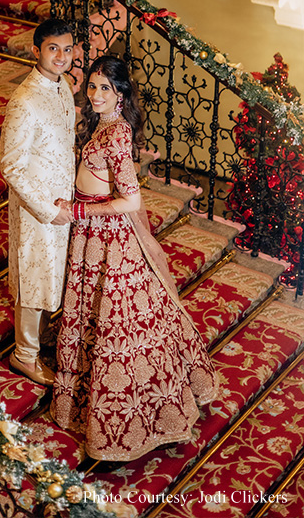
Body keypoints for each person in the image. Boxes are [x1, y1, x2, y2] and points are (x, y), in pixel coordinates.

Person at [51, 55, 219, 462]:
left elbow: (130, 199)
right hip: (94, 237)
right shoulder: (104, 125)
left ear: (122, 95)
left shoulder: (116, 135)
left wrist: (76, 212)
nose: (95, 94)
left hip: (107, 238)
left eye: (105, 88)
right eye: (92, 86)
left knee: (119, 328)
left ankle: (143, 418)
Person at [0, 19, 76, 386]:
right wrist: (48, 209)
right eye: (53, 48)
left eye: (67, 49)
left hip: (64, 202)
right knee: (34, 277)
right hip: (38, 209)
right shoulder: (24, 99)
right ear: (36, 51)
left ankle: (40, 341)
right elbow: (11, 165)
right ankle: (24, 355)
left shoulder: (65, 88)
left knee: (52, 276)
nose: (61, 56)